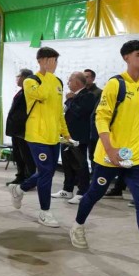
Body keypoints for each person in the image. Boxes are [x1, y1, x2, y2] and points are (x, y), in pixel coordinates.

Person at [69, 40, 139, 266]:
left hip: (135, 155)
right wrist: (110, 149)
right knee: (94, 194)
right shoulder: (115, 84)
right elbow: (101, 118)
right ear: (127, 57)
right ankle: (77, 226)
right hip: (110, 155)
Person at [9, 47, 71, 227]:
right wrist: (47, 74)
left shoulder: (57, 82)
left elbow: (59, 111)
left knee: (48, 171)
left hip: (53, 136)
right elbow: (42, 95)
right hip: (36, 135)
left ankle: (20, 189)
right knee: (46, 173)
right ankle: (45, 212)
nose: (54, 64)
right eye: (51, 60)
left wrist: (66, 133)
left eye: (55, 61)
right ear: (41, 61)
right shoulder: (31, 81)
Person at [52, 71, 97, 204]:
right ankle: (67, 189)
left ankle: (83, 192)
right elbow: (66, 111)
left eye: (70, 80)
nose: (68, 83)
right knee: (67, 163)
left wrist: (71, 99)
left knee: (80, 164)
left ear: (77, 82)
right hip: (67, 135)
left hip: (79, 136)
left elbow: (79, 112)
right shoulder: (72, 96)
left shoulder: (88, 95)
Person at [5, 68, 36, 185]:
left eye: (18, 76)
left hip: (23, 129)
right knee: (18, 155)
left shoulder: (29, 92)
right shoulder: (21, 91)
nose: (17, 78)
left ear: (25, 78)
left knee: (26, 156)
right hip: (16, 130)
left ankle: (29, 179)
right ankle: (20, 176)